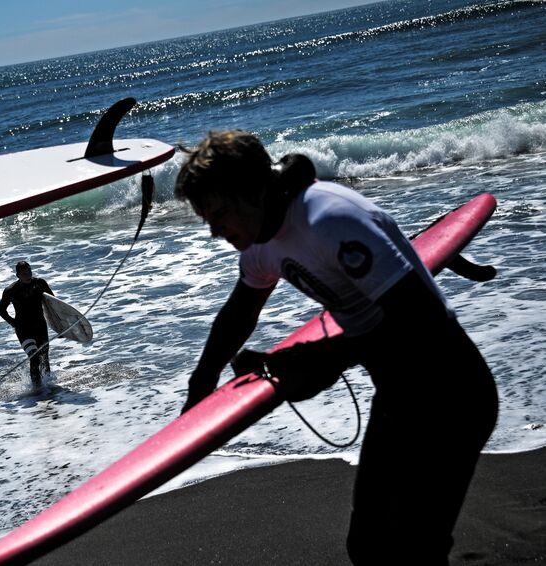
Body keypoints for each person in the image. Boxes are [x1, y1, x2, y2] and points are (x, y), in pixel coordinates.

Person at [174, 130, 498, 565]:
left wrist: (319, 362)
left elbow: (418, 321)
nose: (214, 231)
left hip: (451, 394)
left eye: (218, 214)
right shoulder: (259, 243)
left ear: (251, 190)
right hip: (399, 396)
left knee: (415, 549)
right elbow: (239, 314)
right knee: (368, 547)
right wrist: (201, 385)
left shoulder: (329, 219)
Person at [0, 261, 55, 386]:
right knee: (34, 357)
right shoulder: (11, 290)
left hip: (40, 326)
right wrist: (13, 323)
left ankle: (49, 387)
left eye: (29, 271)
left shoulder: (40, 283)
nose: (27, 274)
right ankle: (37, 389)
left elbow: (53, 303)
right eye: (23, 273)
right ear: (17, 275)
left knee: (44, 357)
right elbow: (1, 310)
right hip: (23, 329)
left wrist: (59, 326)